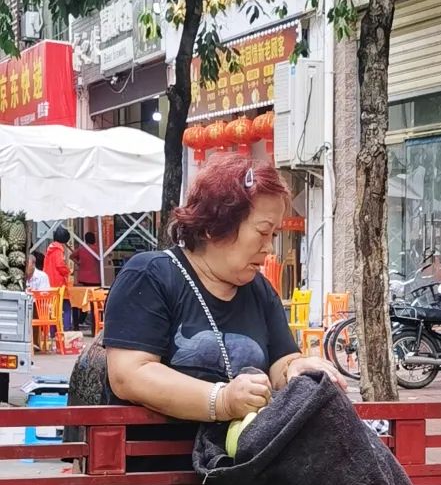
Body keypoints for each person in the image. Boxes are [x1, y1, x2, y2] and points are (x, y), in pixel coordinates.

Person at [103, 155, 345, 434]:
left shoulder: (259, 290)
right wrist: (222, 401)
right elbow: (129, 374)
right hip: (158, 466)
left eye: (275, 236)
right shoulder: (151, 275)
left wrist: (298, 367)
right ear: (213, 225)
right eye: (263, 232)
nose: (269, 248)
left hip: (242, 465)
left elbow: (281, 362)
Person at [42, 226, 73, 290]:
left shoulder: (51, 249)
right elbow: (59, 265)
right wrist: (67, 271)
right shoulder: (58, 250)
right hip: (57, 282)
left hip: (48, 280)